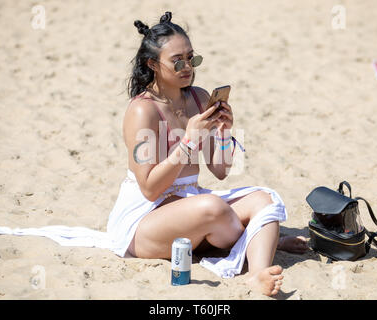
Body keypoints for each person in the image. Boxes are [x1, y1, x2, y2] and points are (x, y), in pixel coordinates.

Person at [113, 11, 308, 296]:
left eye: (192, 58)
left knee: (264, 200)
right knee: (212, 208)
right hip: (145, 220)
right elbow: (150, 189)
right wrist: (189, 142)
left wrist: (225, 133)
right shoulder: (142, 110)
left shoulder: (199, 98)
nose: (187, 67)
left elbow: (221, 170)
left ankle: (256, 273)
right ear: (152, 64)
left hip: (190, 206)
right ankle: (260, 239)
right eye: (177, 61)